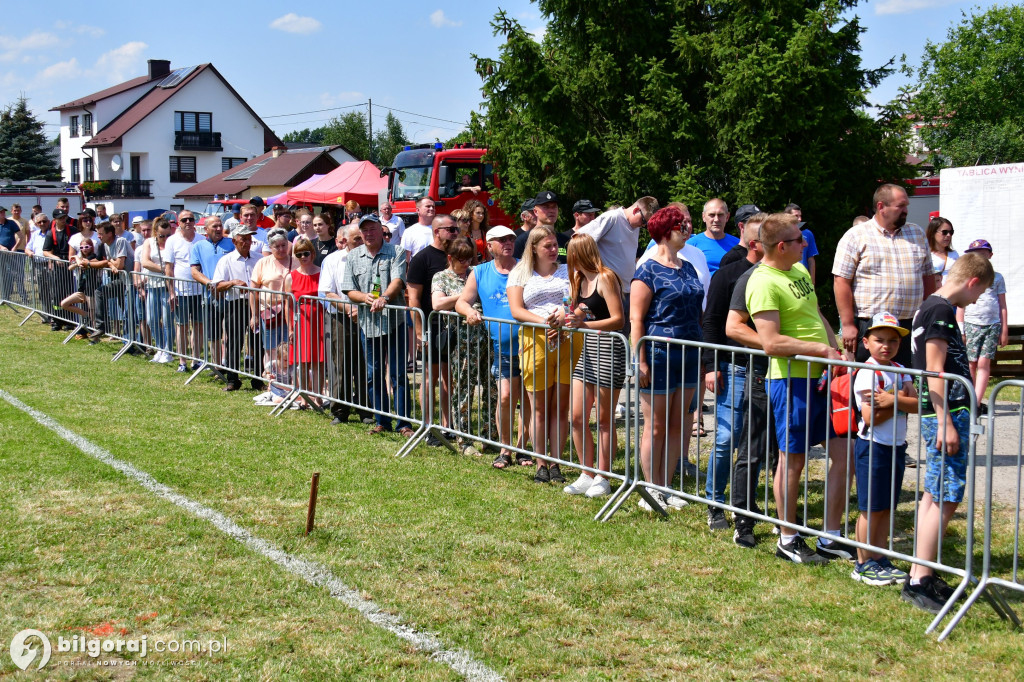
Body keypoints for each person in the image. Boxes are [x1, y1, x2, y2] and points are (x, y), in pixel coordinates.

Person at [747, 212, 849, 564]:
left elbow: (816, 313)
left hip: (824, 376)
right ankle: (788, 537)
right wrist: (821, 350)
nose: (805, 244)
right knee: (793, 462)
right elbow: (771, 343)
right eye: (798, 240)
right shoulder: (762, 281)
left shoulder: (800, 270)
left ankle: (831, 537)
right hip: (791, 380)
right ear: (781, 246)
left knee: (844, 452)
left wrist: (835, 348)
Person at [905, 252, 994, 613]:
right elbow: (935, 370)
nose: (976, 301)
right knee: (947, 497)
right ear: (973, 282)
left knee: (934, 493)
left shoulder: (928, 307)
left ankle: (919, 570)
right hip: (947, 414)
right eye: (980, 293)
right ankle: (920, 579)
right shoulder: (941, 311)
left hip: (944, 413)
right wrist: (944, 422)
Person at [630, 207, 703, 511]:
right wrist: (640, 361)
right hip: (659, 353)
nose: (687, 229)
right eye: (680, 225)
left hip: (689, 352)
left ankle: (668, 486)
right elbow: (636, 319)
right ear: (664, 230)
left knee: (677, 424)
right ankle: (651, 488)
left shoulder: (687, 267)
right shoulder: (646, 269)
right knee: (655, 426)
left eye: (686, 224)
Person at [700, 213, 768, 530]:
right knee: (727, 438)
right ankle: (714, 503)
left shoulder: (776, 276)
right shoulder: (728, 275)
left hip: (766, 370)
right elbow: (712, 322)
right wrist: (711, 367)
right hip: (733, 367)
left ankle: (745, 502)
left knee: (754, 443)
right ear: (756, 243)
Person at [834, 183, 935, 365]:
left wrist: (928, 315)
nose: (906, 210)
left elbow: (928, 276)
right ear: (881, 206)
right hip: (871, 325)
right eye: (900, 206)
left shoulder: (917, 233)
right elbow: (841, 281)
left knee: (906, 383)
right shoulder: (856, 236)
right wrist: (848, 324)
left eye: (906, 206)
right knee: (870, 384)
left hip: (909, 324)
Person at [850, 313, 917, 586]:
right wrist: (899, 402)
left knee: (886, 506)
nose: (886, 346)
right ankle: (863, 562)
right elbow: (870, 417)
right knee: (870, 507)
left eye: (893, 340)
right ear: (866, 342)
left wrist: (891, 401)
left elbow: (917, 404)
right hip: (873, 446)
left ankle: (879, 557)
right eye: (879, 340)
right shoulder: (867, 373)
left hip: (896, 446)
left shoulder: (900, 369)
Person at [507, 225, 578, 484]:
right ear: (533, 248)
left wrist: (563, 318)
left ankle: (556, 463)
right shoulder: (520, 273)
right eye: (546, 246)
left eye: (554, 246)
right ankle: (540, 464)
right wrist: (545, 323)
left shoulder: (567, 271)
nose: (552, 250)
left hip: (567, 340)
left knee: (560, 407)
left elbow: (575, 301)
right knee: (538, 408)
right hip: (534, 342)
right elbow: (517, 310)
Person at [456, 226, 530, 469]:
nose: (508, 242)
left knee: (528, 401)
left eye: (511, 238)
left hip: (530, 345)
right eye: (501, 240)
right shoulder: (479, 272)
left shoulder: (525, 267)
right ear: (489, 246)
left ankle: (523, 448)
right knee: (506, 397)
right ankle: (505, 449)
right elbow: (462, 301)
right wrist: (469, 312)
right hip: (502, 349)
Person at [563, 234, 625, 498]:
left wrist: (583, 325)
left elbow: (618, 319)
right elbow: (580, 311)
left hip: (609, 351)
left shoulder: (606, 277)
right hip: (588, 351)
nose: (567, 259)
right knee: (576, 417)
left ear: (580, 253)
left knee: (603, 419)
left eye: (570, 254)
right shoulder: (579, 280)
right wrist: (565, 318)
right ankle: (586, 472)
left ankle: (604, 475)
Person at [341, 214, 412, 436]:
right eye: (365, 230)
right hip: (367, 325)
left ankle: (404, 423)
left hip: (394, 323)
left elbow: (398, 281)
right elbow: (348, 289)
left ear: (381, 230)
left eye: (373, 229)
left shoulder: (396, 252)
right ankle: (381, 420)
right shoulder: (353, 256)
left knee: (398, 374)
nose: (369, 234)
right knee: (373, 374)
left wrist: (385, 298)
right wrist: (364, 298)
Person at [432, 237, 498, 454]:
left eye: (469, 258)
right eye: (461, 260)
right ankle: (465, 440)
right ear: (450, 258)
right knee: (463, 390)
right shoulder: (441, 277)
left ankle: (491, 437)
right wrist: (466, 297)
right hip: (460, 343)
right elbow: (438, 303)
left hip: (487, 338)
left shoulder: (476, 273)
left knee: (491, 388)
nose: (466, 263)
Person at [407, 214, 459, 445]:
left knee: (449, 379)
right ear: (437, 232)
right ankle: (429, 425)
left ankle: (446, 426)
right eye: (451, 230)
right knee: (430, 378)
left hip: (455, 328)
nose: (456, 233)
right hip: (432, 326)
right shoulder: (422, 259)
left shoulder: (456, 256)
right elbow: (414, 299)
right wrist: (419, 331)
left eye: (457, 229)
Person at [578, 195, 660, 331]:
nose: (643, 225)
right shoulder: (613, 218)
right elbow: (579, 238)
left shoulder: (635, 227)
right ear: (635, 211)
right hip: (607, 292)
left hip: (627, 291)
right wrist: (593, 273)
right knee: (605, 341)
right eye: (644, 221)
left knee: (622, 341)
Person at [319, 224, 372, 425]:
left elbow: (376, 284)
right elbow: (327, 292)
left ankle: (366, 410)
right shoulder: (332, 260)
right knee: (341, 365)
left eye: (362, 238)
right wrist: (348, 309)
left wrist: (369, 304)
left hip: (367, 317)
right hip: (339, 319)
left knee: (365, 364)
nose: (360, 242)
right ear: (345, 240)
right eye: (356, 238)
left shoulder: (371, 258)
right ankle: (340, 410)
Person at [212, 224, 265, 392]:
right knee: (234, 342)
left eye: (249, 238)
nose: (247, 242)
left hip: (257, 303)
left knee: (258, 343)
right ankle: (233, 379)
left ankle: (258, 380)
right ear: (234, 241)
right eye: (244, 239)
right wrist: (233, 282)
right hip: (236, 304)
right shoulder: (226, 260)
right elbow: (217, 285)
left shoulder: (258, 258)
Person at [957, 239, 1008, 407]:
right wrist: (961, 328)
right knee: (971, 363)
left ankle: (977, 402)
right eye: (975, 253)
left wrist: (1004, 329)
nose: (979, 256)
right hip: (971, 324)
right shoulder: (967, 278)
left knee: (984, 363)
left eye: (983, 253)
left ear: (990, 255)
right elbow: (961, 304)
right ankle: (969, 399)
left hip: (992, 325)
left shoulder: (997, 278)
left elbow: (1002, 305)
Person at [251, 228, 295, 398]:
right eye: (276, 246)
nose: (281, 249)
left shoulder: (296, 261)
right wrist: (254, 315)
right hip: (269, 312)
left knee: (289, 348)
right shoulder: (263, 262)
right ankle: (272, 384)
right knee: (270, 349)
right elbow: (252, 290)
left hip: (290, 312)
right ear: (271, 247)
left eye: (284, 245)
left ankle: (289, 383)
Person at [190, 215, 234, 370]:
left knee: (231, 333)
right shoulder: (198, 246)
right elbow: (194, 271)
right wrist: (211, 285)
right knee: (213, 334)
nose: (218, 229)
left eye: (220, 225)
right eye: (214, 226)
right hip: (209, 297)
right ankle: (216, 366)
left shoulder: (231, 243)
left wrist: (225, 286)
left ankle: (229, 363)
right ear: (206, 229)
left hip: (230, 297)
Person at [284, 236, 324, 407]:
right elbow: (288, 305)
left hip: (320, 320)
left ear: (312, 253)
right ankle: (304, 395)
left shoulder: (322, 272)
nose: (303, 257)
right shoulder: (290, 277)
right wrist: (290, 328)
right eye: (299, 254)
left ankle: (318, 395)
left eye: (306, 253)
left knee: (318, 361)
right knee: (301, 360)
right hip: (300, 321)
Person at [165, 209, 205, 372]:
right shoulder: (172, 241)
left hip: (199, 291)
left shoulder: (202, 239)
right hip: (181, 291)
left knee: (198, 326)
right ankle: (182, 361)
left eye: (190, 219)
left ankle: (196, 359)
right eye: (184, 220)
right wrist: (171, 292)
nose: (188, 222)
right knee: (181, 326)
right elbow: (169, 268)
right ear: (179, 223)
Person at [137, 217, 177, 363]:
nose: (165, 239)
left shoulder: (173, 243)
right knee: (152, 319)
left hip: (168, 287)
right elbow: (145, 262)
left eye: (168, 235)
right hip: (153, 286)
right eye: (161, 236)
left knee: (167, 321)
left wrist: (168, 273)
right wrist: (165, 270)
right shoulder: (149, 242)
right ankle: (160, 348)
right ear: (155, 233)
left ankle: (168, 351)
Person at [89, 221, 135, 343]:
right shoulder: (105, 244)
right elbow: (111, 262)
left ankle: (134, 342)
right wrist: (109, 262)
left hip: (130, 282)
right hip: (120, 281)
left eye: (100, 234)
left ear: (109, 234)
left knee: (129, 314)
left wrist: (108, 262)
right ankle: (125, 341)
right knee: (101, 293)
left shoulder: (120, 241)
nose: (98, 236)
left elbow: (119, 265)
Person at [42, 209, 79, 331]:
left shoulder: (72, 230)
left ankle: (69, 320)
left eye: (64, 217)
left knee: (69, 293)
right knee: (57, 293)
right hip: (58, 267)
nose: (63, 220)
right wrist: (55, 258)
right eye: (60, 218)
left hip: (70, 266)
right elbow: (46, 251)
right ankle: (57, 320)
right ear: (55, 220)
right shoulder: (50, 233)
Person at [513, 189, 570, 262]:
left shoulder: (565, 241)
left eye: (554, 207)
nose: (551, 210)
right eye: (546, 207)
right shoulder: (523, 240)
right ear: (535, 211)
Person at [688, 198, 738, 275]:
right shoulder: (691, 245)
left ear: (727, 217)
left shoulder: (737, 244)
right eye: (712, 215)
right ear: (703, 217)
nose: (716, 219)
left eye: (720, 215)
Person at [783, 203, 819, 284]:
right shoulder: (781, 234)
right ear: (787, 216)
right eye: (796, 216)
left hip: (803, 278)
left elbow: (811, 259)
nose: (799, 219)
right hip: (786, 278)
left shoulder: (807, 234)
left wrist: (812, 281)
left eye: (800, 216)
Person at [927, 216, 958, 288]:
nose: (948, 235)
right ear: (933, 232)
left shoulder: (954, 254)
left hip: (951, 296)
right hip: (934, 296)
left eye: (951, 232)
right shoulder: (926, 255)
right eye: (944, 232)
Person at [463, 199, 491, 263]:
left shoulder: (485, 231)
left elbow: (488, 253)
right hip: (468, 265)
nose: (481, 216)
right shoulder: (465, 231)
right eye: (478, 213)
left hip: (483, 264)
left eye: (482, 213)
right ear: (471, 214)